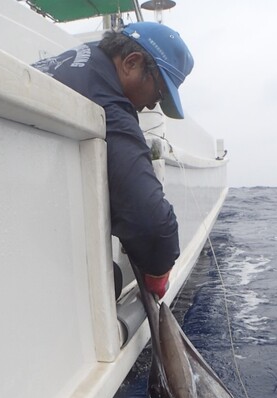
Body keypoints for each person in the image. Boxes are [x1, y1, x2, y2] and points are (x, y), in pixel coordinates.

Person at [31, 22, 194, 299]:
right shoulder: (108, 104)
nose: (154, 105)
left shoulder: (79, 61)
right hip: (34, 254)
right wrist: (158, 274)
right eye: (160, 93)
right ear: (131, 63)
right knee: (112, 280)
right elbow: (151, 225)